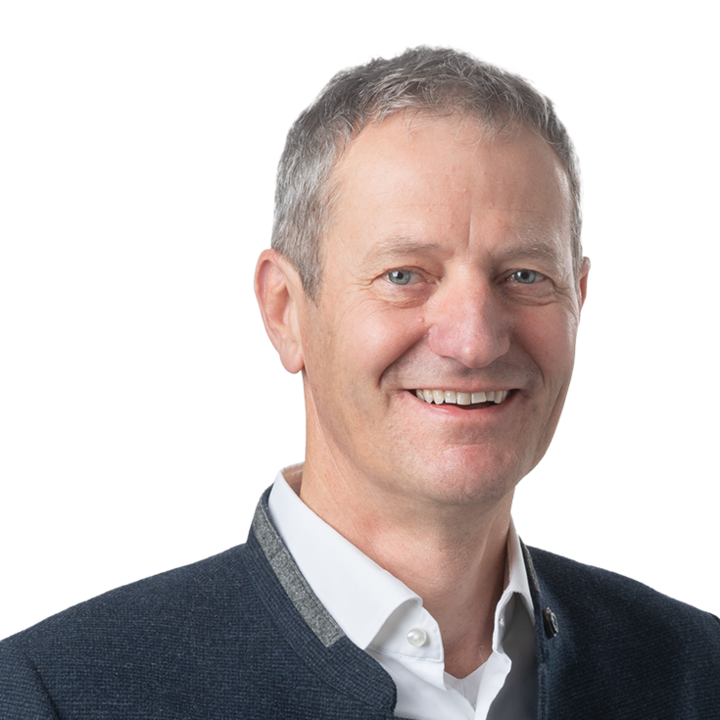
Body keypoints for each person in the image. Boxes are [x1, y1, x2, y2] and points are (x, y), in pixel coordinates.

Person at [1, 44, 717, 720]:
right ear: (286, 311)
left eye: (524, 276)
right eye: (404, 275)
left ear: (581, 298)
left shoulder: (697, 670)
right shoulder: (58, 694)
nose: (474, 341)